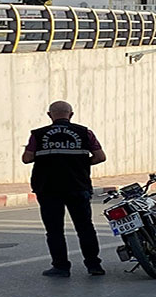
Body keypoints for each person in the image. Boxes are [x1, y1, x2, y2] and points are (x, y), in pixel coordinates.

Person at [22, 101, 107, 277]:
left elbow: (27, 158)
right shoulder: (85, 133)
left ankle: (61, 267)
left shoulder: (38, 134)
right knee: (85, 227)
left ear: (49, 115)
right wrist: (81, 164)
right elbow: (100, 157)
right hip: (78, 186)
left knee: (54, 230)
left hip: (48, 188)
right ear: (71, 114)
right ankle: (94, 265)